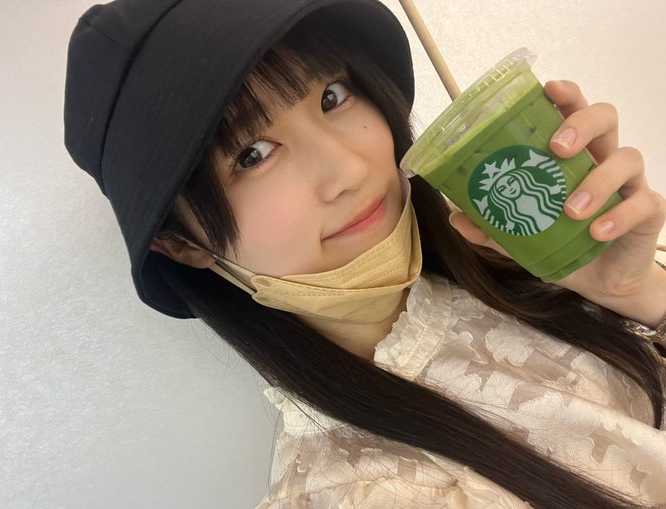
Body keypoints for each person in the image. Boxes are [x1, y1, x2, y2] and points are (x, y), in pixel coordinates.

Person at [63, 0, 666, 507]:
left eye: (332, 96)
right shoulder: (358, 490)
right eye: (252, 155)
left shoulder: (517, 269)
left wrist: (638, 294)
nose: (349, 169)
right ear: (183, 245)